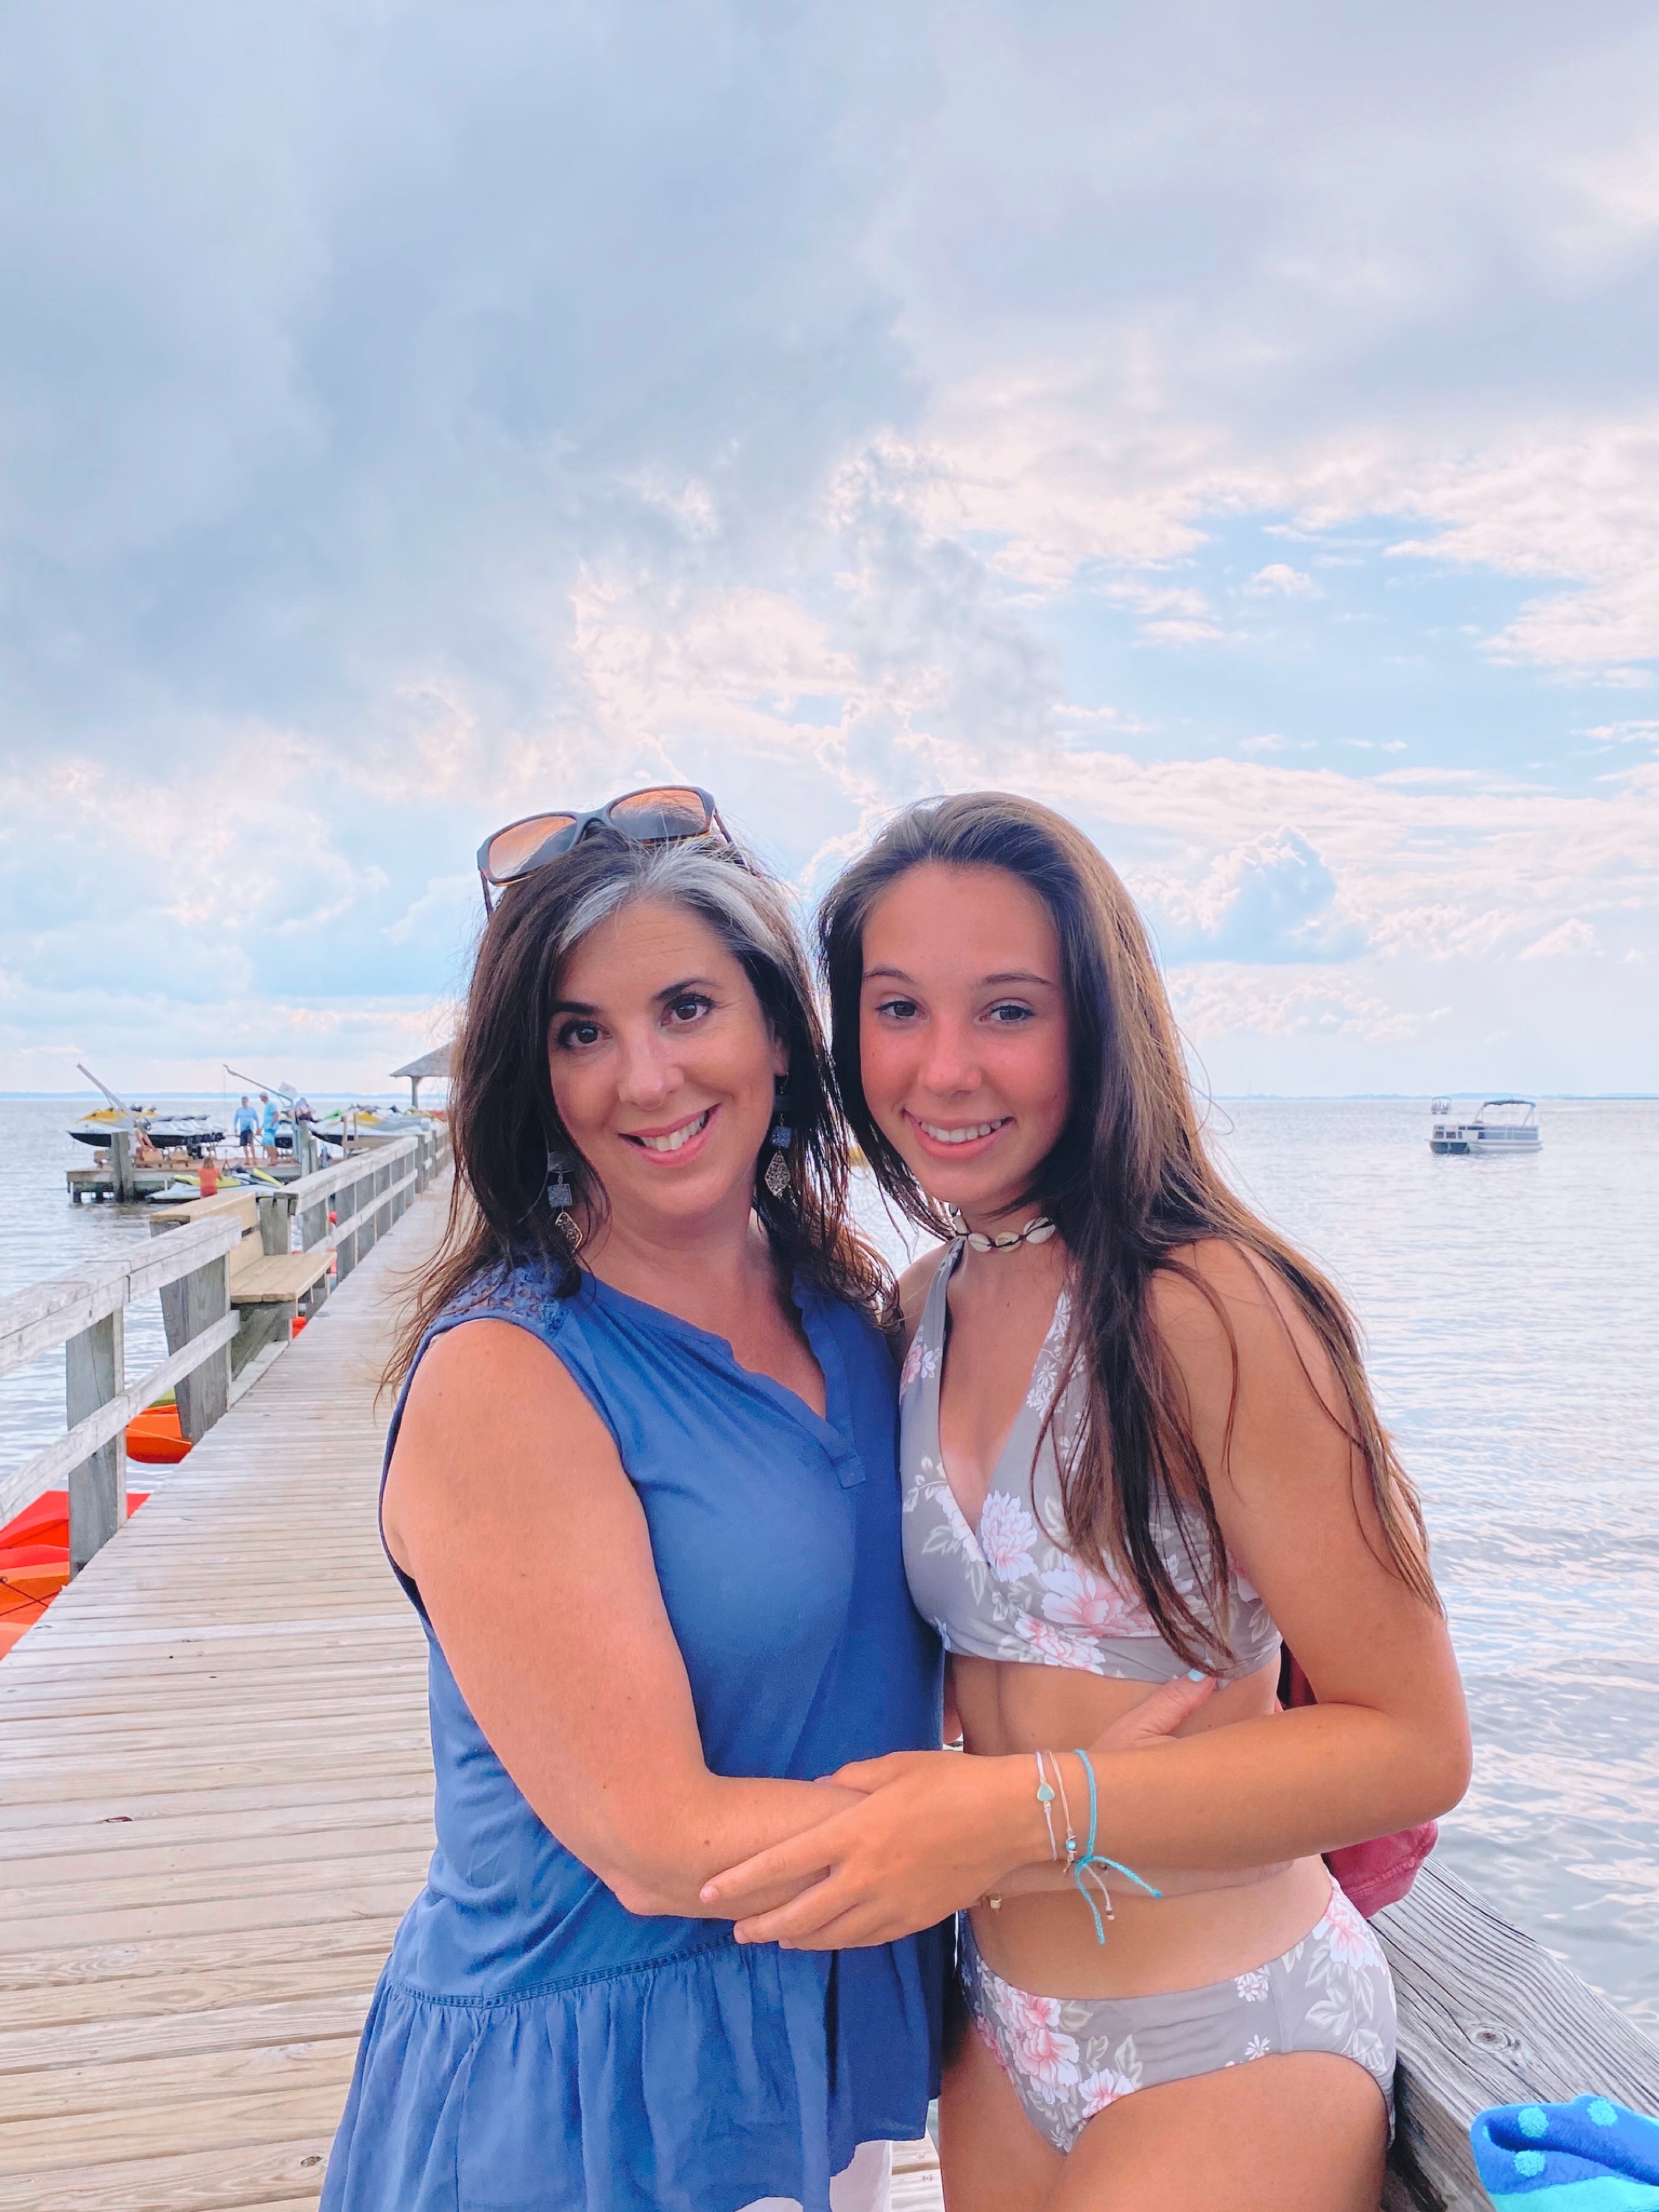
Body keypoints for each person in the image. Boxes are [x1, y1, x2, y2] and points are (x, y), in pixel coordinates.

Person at [701, 793, 1471, 2212]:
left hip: (1228, 2029)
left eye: (1007, 1010)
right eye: (897, 1007)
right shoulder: (923, 1305)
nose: (943, 1068)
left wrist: (1022, 1807)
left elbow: (1416, 1741)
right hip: (999, 2033)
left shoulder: (1210, 1309)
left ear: (1098, 1025)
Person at [323, 793, 955, 2212]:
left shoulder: (855, 1312)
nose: (645, 1078)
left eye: (685, 1007)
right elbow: (653, 1840)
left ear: (778, 1030)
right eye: (580, 1033)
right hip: (588, 2086)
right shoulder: (510, 1373)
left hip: (809, 2031)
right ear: (532, 1077)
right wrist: (1054, 1825)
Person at [233, 1095, 258, 1164]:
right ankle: (247, 1159)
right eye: (243, 1102)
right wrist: (235, 1127)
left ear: (248, 1101)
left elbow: (257, 1118)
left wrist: (258, 1128)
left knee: (251, 1144)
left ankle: (254, 1159)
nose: (244, 1103)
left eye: (245, 1102)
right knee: (244, 1145)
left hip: (250, 1129)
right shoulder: (239, 1110)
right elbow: (235, 1119)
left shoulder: (252, 1110)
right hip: (243, 1129)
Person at [258, 1090, 279, 1162]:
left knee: (266, 1142)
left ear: (265, 1097)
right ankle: (273, 1159)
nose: (261, 1099)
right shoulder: (267, 1106)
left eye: (261, 1097)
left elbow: (276, 1114)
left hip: (271, 1128)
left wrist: (272, 1125)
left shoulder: (270, 1105)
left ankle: (273, 1159)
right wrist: (261, 1128)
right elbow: (266, 1119)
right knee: (269, 1143)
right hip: (267, 1127)